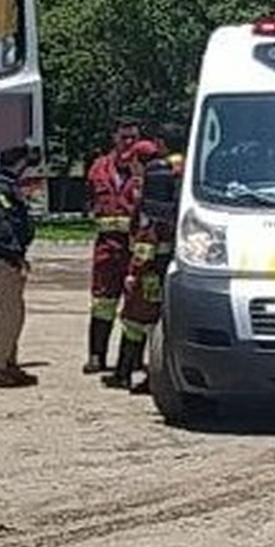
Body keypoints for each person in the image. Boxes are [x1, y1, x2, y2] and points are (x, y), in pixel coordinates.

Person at [103, 123, 186, 393]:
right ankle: (132, 372)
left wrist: (135, 270)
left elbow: (149, 233)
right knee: (154, 319)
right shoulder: (184, 170)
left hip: (151, 265)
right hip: (176, 259)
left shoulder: (155, 181)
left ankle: (132, 374)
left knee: (138, 318)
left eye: (134, 163)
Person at [0, 144, 38, 388]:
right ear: (20, 161)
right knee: (3, 315)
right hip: (3, 258)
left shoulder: (4, 184)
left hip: (8, 258)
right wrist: (14, 254)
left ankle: (9, 363)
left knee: (13, 314)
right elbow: (0, 225)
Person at [83, 118, 142, 374]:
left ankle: (131, 360)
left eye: (133, 137)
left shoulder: (144, 170)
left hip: (135, 248)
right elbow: (89, 201)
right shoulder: (98, 168)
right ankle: (96, 356)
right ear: (114, 138)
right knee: (102, 303)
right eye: (124, 137)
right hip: (107, 247)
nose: (128, 142)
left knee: (137, 304)